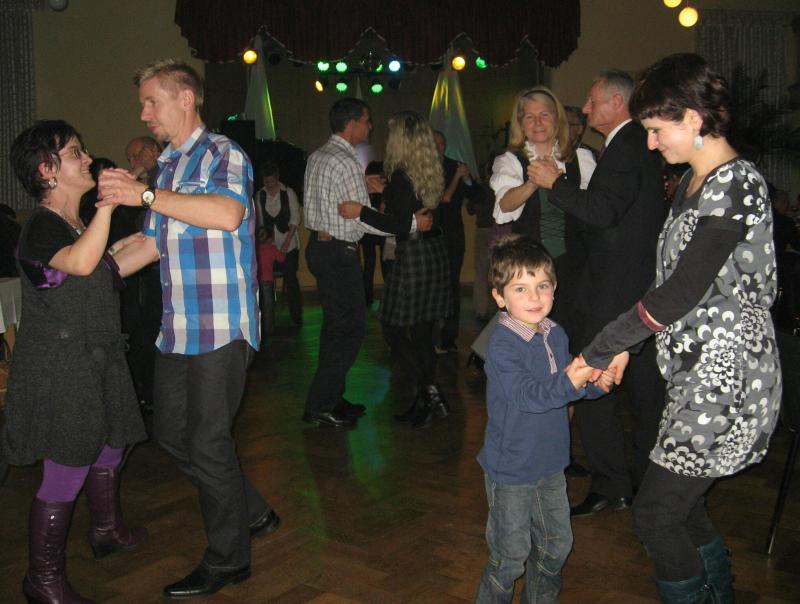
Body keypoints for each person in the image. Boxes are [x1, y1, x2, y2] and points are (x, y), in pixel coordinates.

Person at [578, 53, 782, 602]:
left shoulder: (736, 184)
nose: (650, 144)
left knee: (657, 514)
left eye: (655, 129)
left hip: (728, 376)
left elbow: (683, 290)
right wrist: (628, 349)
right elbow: (665, 280)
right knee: (682, 509)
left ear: (693, 118)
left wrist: (603, 346)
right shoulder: (694, 181)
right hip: (695, 374)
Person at [97, 59, 279, 599]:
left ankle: (228, 560)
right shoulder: (167, 168)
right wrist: (84, 273)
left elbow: (226, 214)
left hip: (222, 325)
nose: (143, 113)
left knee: (207, 442)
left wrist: (143, 196)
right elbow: (151, 245)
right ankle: (253, 512)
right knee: (173, 436)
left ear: (185, 98)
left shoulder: (223, 153)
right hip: (177, 328)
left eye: (151, 102)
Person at [3, 120, 148, 603]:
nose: (88, 158)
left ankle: (106, 530)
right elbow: (83, 263)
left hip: (95, 356)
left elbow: (105, 269)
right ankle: (42, 580)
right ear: (46, 170)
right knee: (66, 467)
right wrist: (109, 205)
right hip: (61, 366)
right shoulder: (41, 225)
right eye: (75, 153)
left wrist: (160, 234)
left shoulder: (74, 225)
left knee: (110, 443)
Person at [529, 71, 667, 517]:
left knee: (591, 386)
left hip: (614, 291)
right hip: (636, 287)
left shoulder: (626, 146)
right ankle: (646, 480)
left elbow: (603, 212)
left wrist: (555, 184)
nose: (585, 109)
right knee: (645, 390)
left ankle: (613, 485)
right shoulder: (633, 145)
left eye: (591, 101)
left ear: (616, 102)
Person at [475, 234, 612, 603]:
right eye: (520, 288)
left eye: (543, 285)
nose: (534, 297)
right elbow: (529, 396)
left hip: (551, 463)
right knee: (509, 557)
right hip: (512, 469)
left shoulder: (555, 333)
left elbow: (562, 390)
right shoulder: (502, 345)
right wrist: (571, 380)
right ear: (499, 297)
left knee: (555, 547)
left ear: (555, 288)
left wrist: (594, 385)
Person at [302, 98, 432, 429]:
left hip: (320, 247)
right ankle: (321, 404)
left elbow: (328, 202)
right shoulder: (346, 161)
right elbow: (361, 220)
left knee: (335, 329)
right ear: (352, 124)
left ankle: (329, 397)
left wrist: (365, 188)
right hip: (338, 253)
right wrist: (412, 224)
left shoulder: (319, 155)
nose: (370, 126)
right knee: (349, 330)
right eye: (366, 120)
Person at [339, 111, 450, 428]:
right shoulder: (428, 169)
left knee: (394, 329)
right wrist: (382, 191)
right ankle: (427, 398)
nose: (387, 139)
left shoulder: (403, 175)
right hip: (433, 252)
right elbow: (411, 209)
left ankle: (429, 393)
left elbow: (399, 224)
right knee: (422, 333)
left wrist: (361, 211)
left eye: (392, 134)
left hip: (413, 253)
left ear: (402, 139)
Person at [492, 86, 596, 336]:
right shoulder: (511, 160)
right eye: (529, 116)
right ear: (521, 123)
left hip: (576, 264)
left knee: (574, 333)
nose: (537, 123)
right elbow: (504, 206)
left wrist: (557, 183)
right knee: (534, 335)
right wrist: (533, 182)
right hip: (530, 270)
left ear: (557, 119)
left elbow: (593, 208)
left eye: (544, 115)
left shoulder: (581, 157)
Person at [433, 130, 479, 354]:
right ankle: (432, 334)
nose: (438, 147)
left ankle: (449, 337)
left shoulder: (455, 166)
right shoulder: (422, 169)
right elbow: (443, 200)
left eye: (442, 143)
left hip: (452, 236)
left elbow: (478, 196)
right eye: (434, 143)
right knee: (433, 286)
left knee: (452, 285)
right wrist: (457, 177)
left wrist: (467, 178)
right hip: (431, 236)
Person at [253, 161, 303, 326]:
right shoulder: (259, 195)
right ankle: (267, 320)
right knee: (265, 282)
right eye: (266, 182)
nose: (269, 185)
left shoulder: (288, 193)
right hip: (269, 247)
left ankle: (296, 317)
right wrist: (266, 245)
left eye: (272, 181)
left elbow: (295, 220)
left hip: (289, 244)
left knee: (291, 279)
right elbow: (260, 223)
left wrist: (286, 243)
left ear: (277, 178)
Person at [256, 226, 286, 340]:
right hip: (267, 280)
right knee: (268, 306)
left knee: (258, 305)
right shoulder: (271, 248)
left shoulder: (255, 248)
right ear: (270, 238)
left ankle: (259, 329)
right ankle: (269, 330)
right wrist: (283, 248)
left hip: (256, 280)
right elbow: (282, 258)